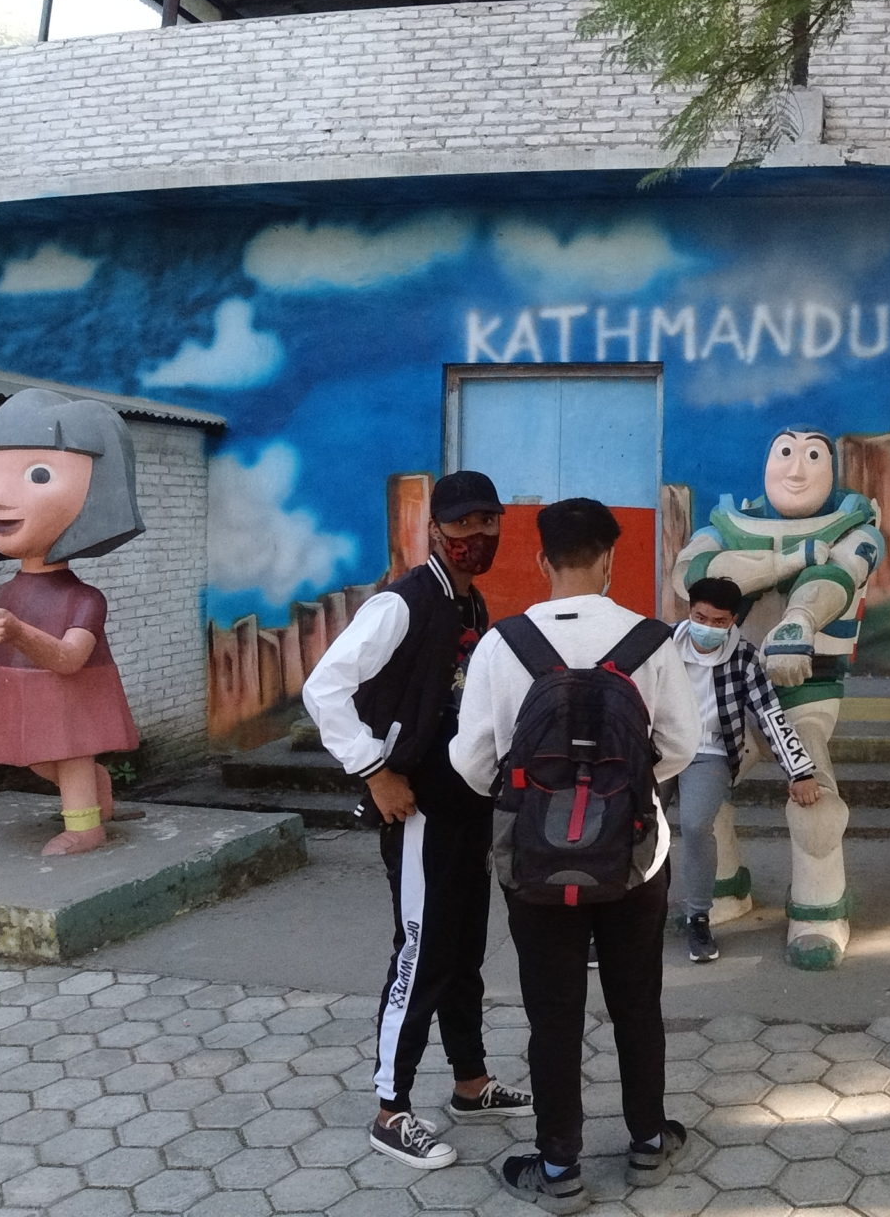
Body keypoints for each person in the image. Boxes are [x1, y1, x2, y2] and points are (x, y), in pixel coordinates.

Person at [453, 499, 700, 1211]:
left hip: (535, 862)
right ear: (610, 560)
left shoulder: (504, 644)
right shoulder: (651, 641)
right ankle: (648, 1140)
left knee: (553, 1011)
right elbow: (680, 746)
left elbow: (472, 761)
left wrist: (538, 800)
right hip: (635, 858)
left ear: (542, 560)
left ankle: (559, 1167)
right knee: (637, 1000)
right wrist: (620, 795)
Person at [302, 470, 531, 1172]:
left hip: (465, 804)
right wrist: (374, 770)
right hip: (417, 808)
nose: (477, 537)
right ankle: (390, 1109)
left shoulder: (469, 601)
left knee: (463, 949)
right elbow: (324, 687)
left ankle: (470, 1082)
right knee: (421, 952)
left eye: (488, 523)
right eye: (462, 525)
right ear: (435, 530)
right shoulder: (401, 604)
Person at [671, 427, 883, 969]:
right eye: (785, 452)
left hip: (806, 690)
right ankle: (718, 891)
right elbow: (695, 575)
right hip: (728, 697)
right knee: (704, 801)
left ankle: (819, 909)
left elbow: (839, 574)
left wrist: (800, 619)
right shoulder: (722, 526)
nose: (797, 468)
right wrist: (794, 557)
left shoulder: (857, 529)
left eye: (812, 455)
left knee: (816, 804)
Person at [0, 390, 145, 857]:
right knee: (40, 759)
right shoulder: (8, 592)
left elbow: (69, 659)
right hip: (27, 696)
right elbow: (11, 647)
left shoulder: (85, 598)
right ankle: (100, 794)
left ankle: (85, 828)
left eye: (38, 475)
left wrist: (17, 632)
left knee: (71, 753)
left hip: (74, 692)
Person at [670, 575, 822, 963]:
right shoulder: (661, 646)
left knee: (695, 825)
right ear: (689, 611)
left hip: (710, 752)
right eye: (700, 617)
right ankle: (617, 915)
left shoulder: (744, 657)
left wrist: (800, 772)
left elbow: (769, 714)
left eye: (719, 621)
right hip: (657, 749)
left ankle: (698, 917)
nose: (708, 627)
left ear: (733, 620)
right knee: (631, 822)